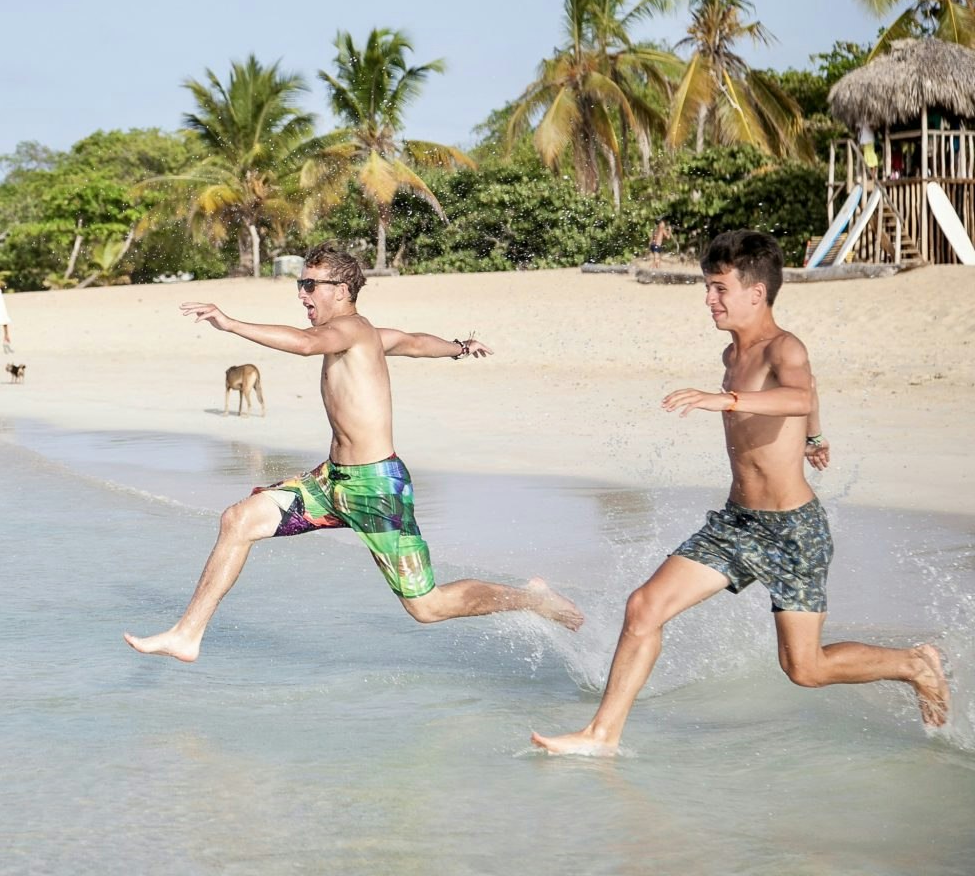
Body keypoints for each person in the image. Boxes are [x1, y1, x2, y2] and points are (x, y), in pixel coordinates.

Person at [532, 229, 949, 756]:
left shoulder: (784, 346)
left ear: (757, 292)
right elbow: (808, 399)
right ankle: (601, 735)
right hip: (736, 524)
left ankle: (915, 664)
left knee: (805, 668)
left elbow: (799, 393)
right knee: (643, 608)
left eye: (718, 288)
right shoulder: (733, 353)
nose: (709, 299)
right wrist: (816, 438)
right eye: (707, 287)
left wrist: (727, 401)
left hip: (793, 532)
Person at [125, 242, 584, 663]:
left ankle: (533, 600)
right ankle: (188, 634)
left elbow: (305, 345)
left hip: (376, 488)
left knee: (427, 607)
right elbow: (412, 342)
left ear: (341, 289)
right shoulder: (364, 334)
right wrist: (460, 347)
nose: (301, 295)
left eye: (310, 285)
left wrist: (229, 322)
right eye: (299, 284)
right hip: (332, 483)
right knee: (238, 520)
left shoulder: (346, 329)